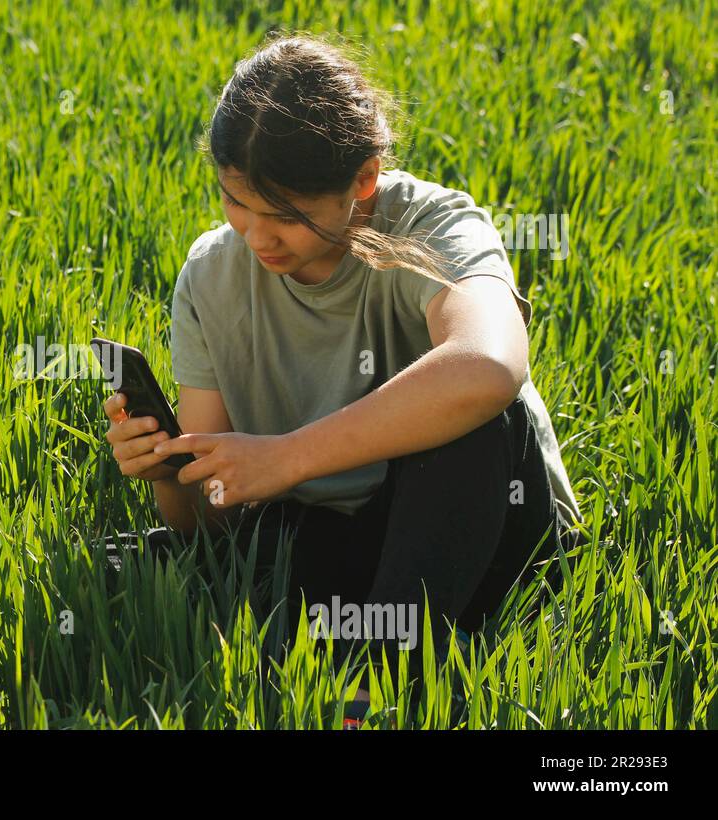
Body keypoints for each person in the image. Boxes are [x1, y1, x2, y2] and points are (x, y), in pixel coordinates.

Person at [98, 32, 585, 727]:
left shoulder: (432, 224)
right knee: (169, 567)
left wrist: (288, 457)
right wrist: (167, 474)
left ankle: (377, 685)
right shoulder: (212, 277)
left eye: (287, 215)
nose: (259, 237)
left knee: (478, 422)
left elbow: (490, 365)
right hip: (332, 528)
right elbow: (213, 511)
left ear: (364, 179)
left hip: (485, 531)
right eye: (238, 204)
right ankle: (338, 642)